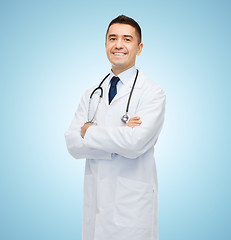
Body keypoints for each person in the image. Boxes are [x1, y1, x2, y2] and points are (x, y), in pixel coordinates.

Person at [65, 15, 166, 240]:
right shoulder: (92, 93)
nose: (118, 44)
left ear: (139, 48)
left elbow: (135, 144)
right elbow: (72, 144)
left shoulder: (152, 93)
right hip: (95, 206)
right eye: (113, 38)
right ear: (106, 45)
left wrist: (89, 131)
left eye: (127, 39)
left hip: (132, 210)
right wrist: (120, 135)